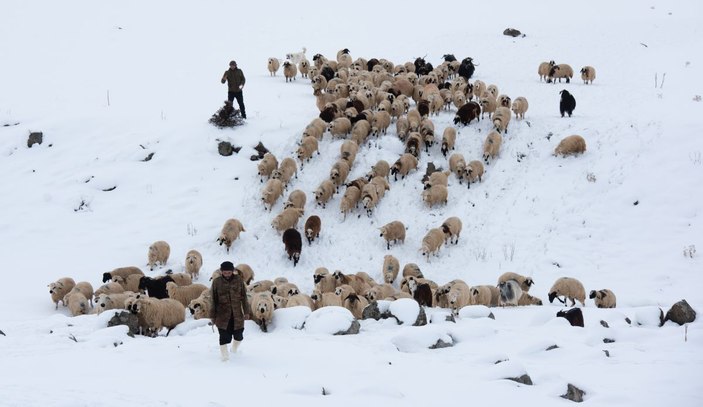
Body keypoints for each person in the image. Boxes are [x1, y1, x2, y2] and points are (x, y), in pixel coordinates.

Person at [210, 261, 251, 361]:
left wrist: (246, 311)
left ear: (232, 271)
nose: (227, 274)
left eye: (229, 272)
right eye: (224, 272)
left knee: (239, 336)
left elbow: (244, 297)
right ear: (221, 271)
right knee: (224, 337)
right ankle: (225, 357)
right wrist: (212, 315)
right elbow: (213, 299)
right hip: (222, 314)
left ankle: (234, 349)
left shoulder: (239, 280)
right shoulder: (216, 282)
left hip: (237, 314)